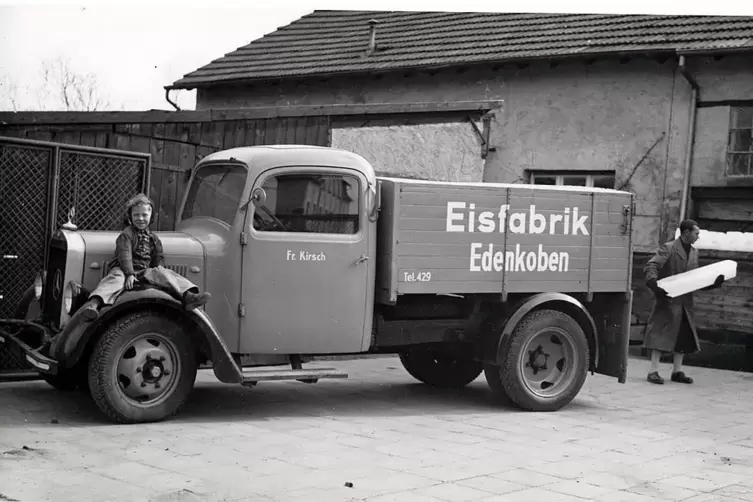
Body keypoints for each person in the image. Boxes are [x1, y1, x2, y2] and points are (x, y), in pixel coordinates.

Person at [79, 193, 211, 321]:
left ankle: (188, 296)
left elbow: (158, 257)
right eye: (136, 215)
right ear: (130, 217)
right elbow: (124, 254)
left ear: (151, 216)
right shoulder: (127, 234)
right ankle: (94, 304)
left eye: (144, 215)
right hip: (123, 270)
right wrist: (129, 274)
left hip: (143, 271)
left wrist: (159, 271)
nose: (140, 218)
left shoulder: (153, 238)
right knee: (115, 280)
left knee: (166, 274)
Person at [643, 219, 724, 384]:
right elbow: (651, 266)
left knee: (683, 336)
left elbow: (695, 279)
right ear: (686, 232)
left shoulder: (694, 252)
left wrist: (712, 284)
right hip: (667, 298)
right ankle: (653, 371)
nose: (698, 237)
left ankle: (677, 371)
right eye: (696, 233)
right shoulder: (669, 248)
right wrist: (655, 285)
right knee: (660, 334)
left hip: (685, 302)